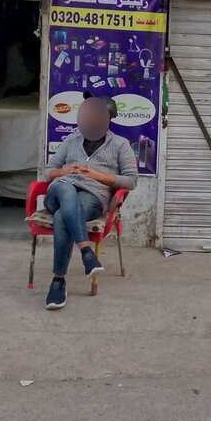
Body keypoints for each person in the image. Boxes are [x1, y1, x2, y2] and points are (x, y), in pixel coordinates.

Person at [43, 94, 138, 310]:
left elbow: (131, 180)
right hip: (59, 191)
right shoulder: (71, 140)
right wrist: (66, 170)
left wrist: (96, 176)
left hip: (92, 196)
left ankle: (58, 281)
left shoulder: (120, 145)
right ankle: (86, 253)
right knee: (66, 189)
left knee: (62, 217)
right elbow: (48, 172)